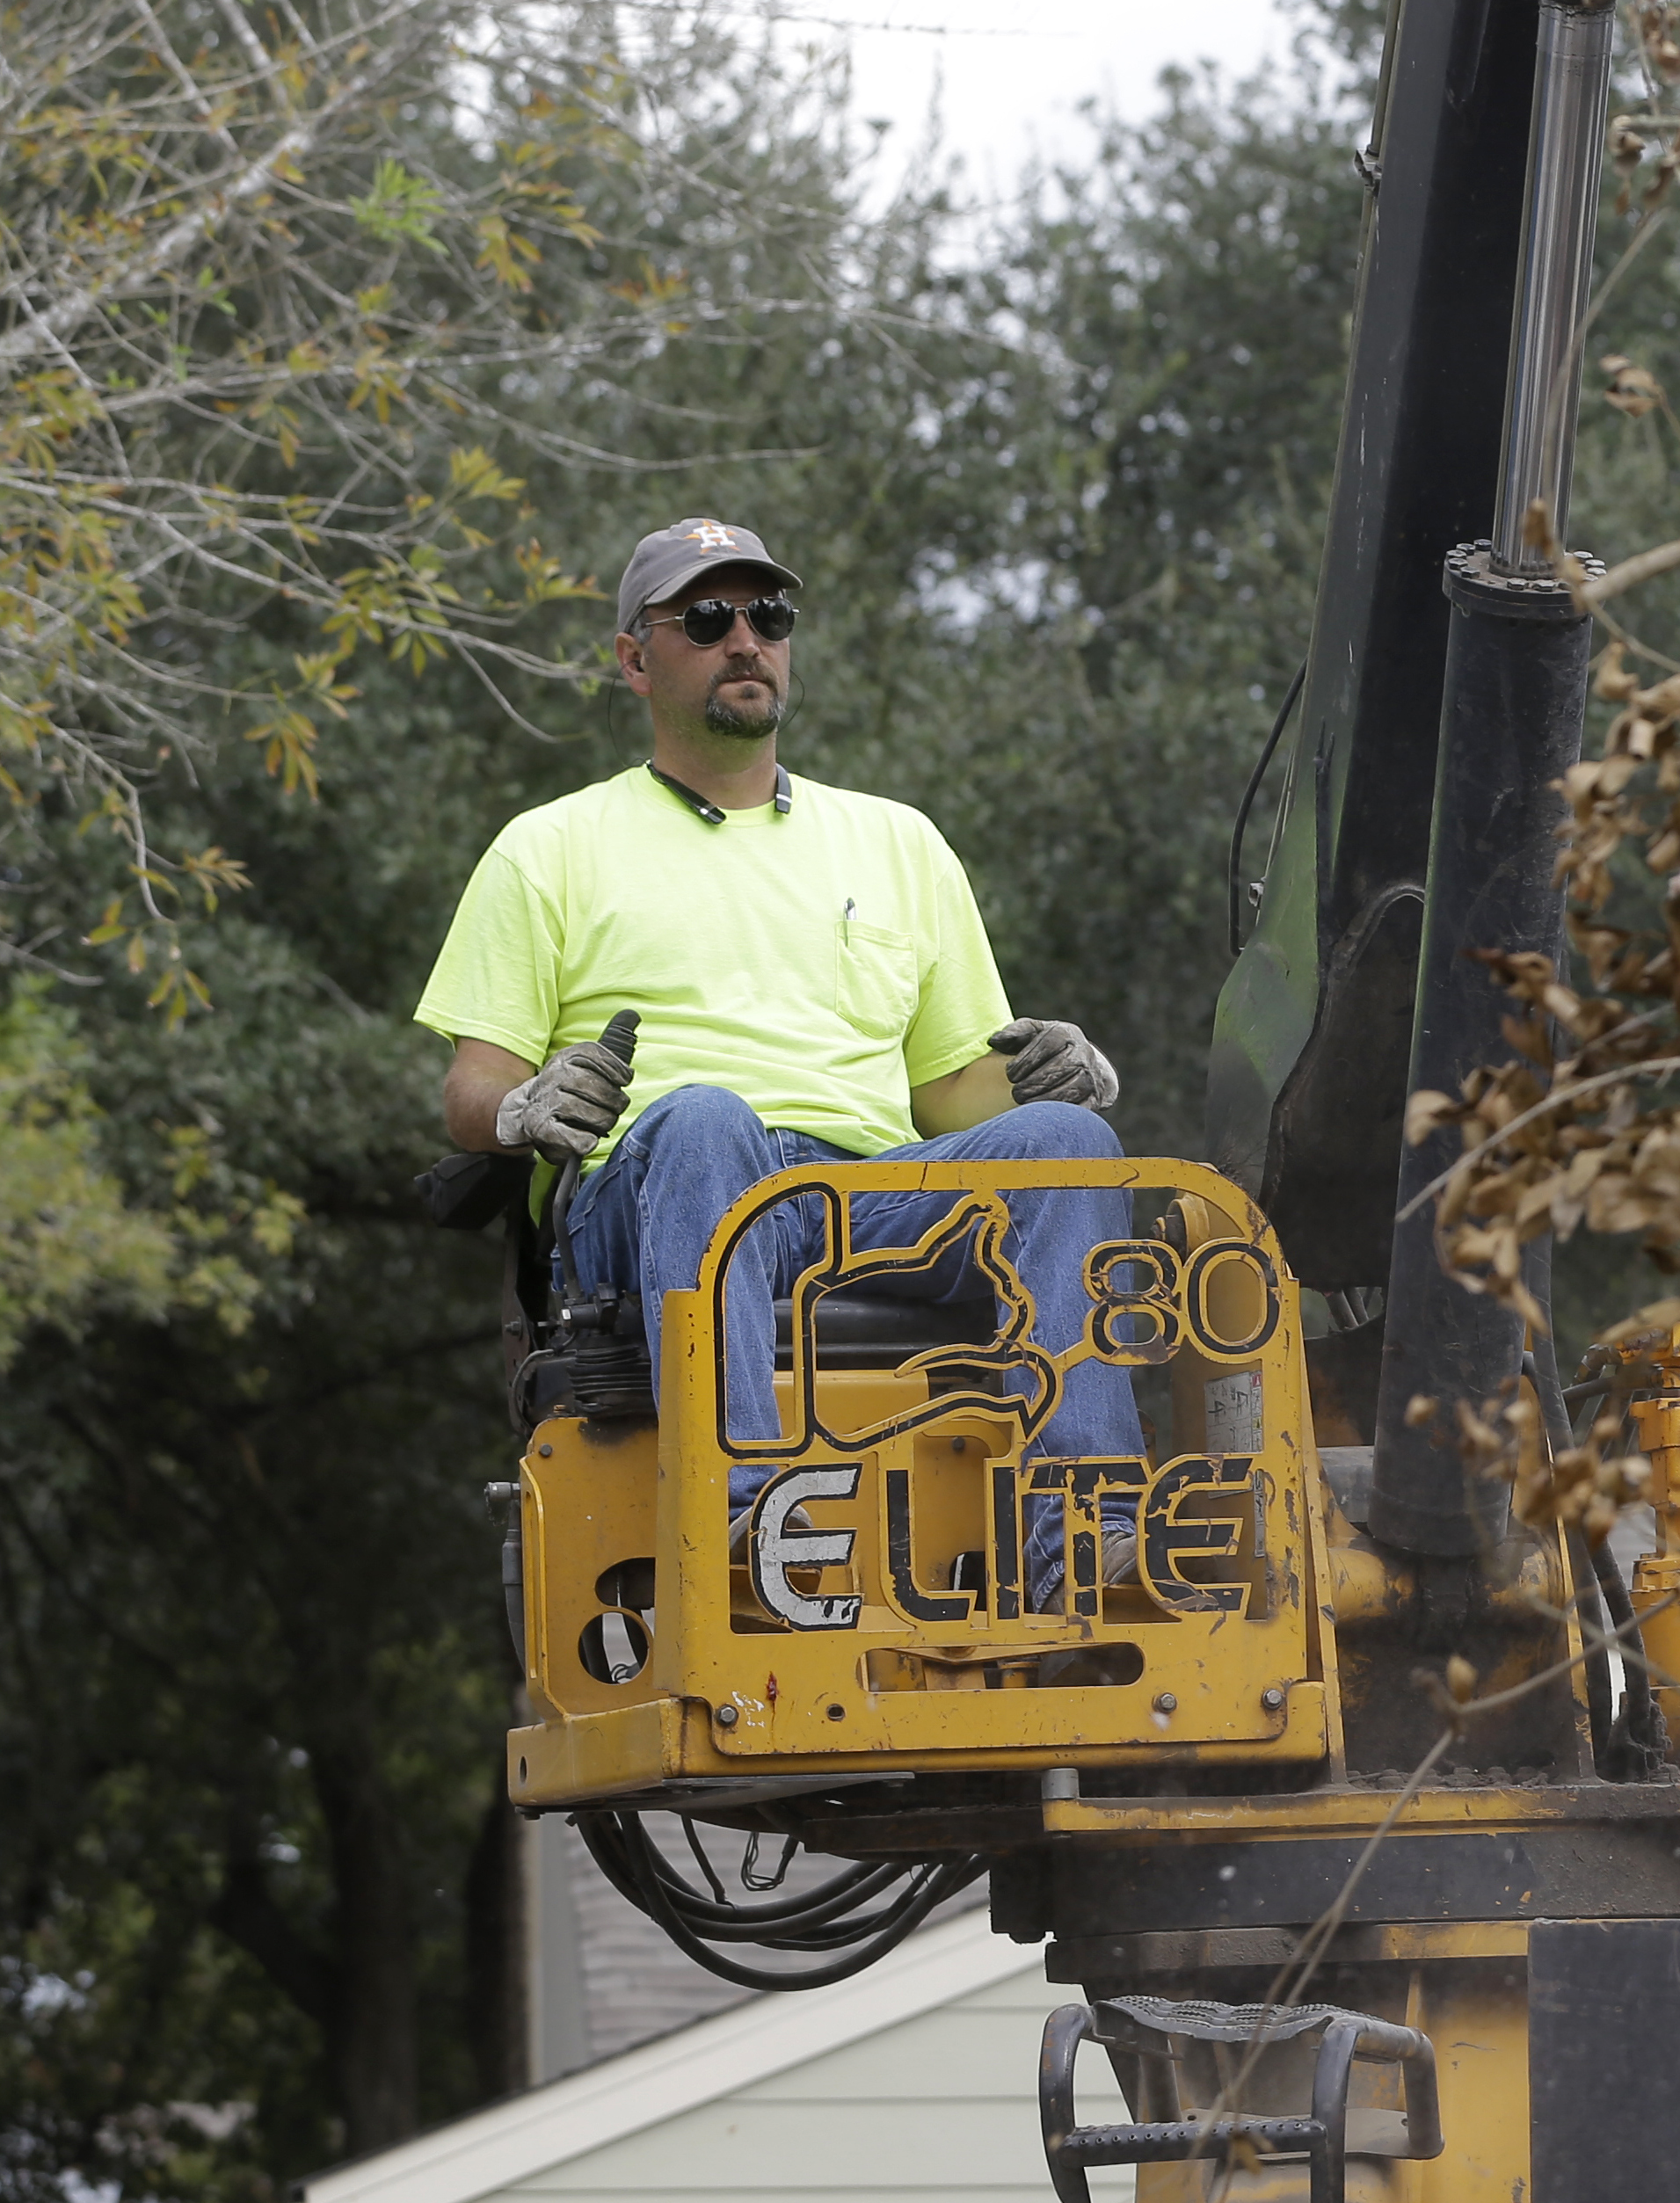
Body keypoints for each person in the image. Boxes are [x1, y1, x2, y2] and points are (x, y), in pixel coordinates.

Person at [415, 517, 1141, 1572]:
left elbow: (952, 1096)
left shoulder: (899, 842)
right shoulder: (550, 848)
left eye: (768, 616)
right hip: (668, 1189)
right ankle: (756, 1521)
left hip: (868, 1198)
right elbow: (473, 1086)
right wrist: (525, 1108)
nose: (745, 639)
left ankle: (1080, 1534)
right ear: (634, 658)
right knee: (707, 1115)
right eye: (707, 618)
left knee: (1069, 1144)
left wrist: (1060, 1081)